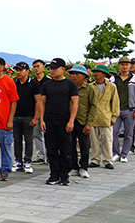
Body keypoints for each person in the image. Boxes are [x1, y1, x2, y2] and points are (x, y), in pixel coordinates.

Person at [37, 58, 79, 186]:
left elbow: (75, 103)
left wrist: (71, 120)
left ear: (63, 69)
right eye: (50, 68)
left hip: (64, 120)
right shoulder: (47, 85)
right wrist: (42, 119)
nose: (52, 71)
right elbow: (42, 103)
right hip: (49, 120)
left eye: (54, 68)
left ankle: (64, 175)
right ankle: (54, 174)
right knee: (51, 149)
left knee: (65, 149)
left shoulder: (70, 85)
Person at [67, 64, 96, 178]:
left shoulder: (89, 89)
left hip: (83, 120)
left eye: (77, 74)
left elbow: (93, 106)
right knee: (70, 144)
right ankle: (74, 166)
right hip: (70, 120)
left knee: (84, 145)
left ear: (84, 76)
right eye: (72, 74)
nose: (74, 76)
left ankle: (84, 167)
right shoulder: (68, 87)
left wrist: (89, 123)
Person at [89, 64, 120, 169]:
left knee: (107, 140)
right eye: (95, 72)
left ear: (104, 74)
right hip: (92, 117)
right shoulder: (90, 86)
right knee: (94, 140)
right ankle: (95, 159)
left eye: (99, 72)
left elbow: (115, 102)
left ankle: (108, 160)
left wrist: (114, 117)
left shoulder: (111, 86)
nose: (96, 74)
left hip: (106, 116)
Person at [11, 62, 39, 174]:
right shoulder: (13, 83)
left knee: (28, 140)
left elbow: (38, 102)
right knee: (17, 140)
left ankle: (28, 161)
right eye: (17, 70)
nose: (18, 72)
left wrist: (36, 117)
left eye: (20, 70)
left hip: (28, 116)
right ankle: (18, 161)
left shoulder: (34, 84)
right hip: (15, 116)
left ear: (27, 71)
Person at [32, 59, 50, 163]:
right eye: (34, 67)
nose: (36, 69)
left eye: (38, 66)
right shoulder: (33, 82)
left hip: (46, 112)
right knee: (36, 135)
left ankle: (49, 155)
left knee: (47, 135)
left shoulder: (48, 82)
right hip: (35, 112)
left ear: (43, 67)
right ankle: (40, 155)